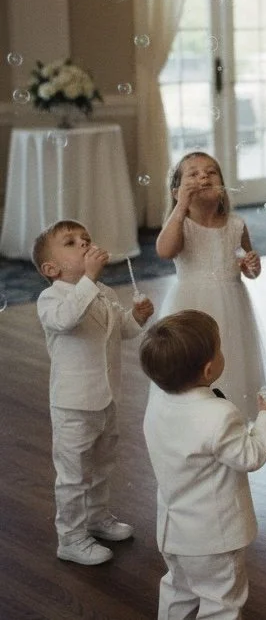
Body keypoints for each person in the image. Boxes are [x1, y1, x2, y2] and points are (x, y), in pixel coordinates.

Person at [140, 310, 266, 620]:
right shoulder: (219, 414)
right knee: (221, 602)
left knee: (179, 589)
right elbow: (250, 455)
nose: (222, 353)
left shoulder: (157, 404)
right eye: (218, 349)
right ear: (208, 369)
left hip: (173, 531)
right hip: (213, 538)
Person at [33, 219, 154, 566]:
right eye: (71, 243)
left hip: (107, 399)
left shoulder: (104, 292)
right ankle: (70, 538)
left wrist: (137, 316)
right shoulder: (50, 299)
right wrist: (87, 280)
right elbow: (66, 320)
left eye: (86, 238)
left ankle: (97, 519)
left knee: (103, 465)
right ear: (51, 268)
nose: (84, 244)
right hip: (72, 404)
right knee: (73, 474)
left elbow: (121, 332)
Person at [155, 151, 266, 421]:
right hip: (191, 307)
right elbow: (164, 251)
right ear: (177, 191)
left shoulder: (236, 225)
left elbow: (249, 267)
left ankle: (228, 423)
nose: (204, 176)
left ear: (222, 186)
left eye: (211, 172)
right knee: (190, 364)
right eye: (194, 173)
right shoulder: (181, 224)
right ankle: (193, 421)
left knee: (232, 363)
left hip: (232, 307)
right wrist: (180, 208)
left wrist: (252, 266)